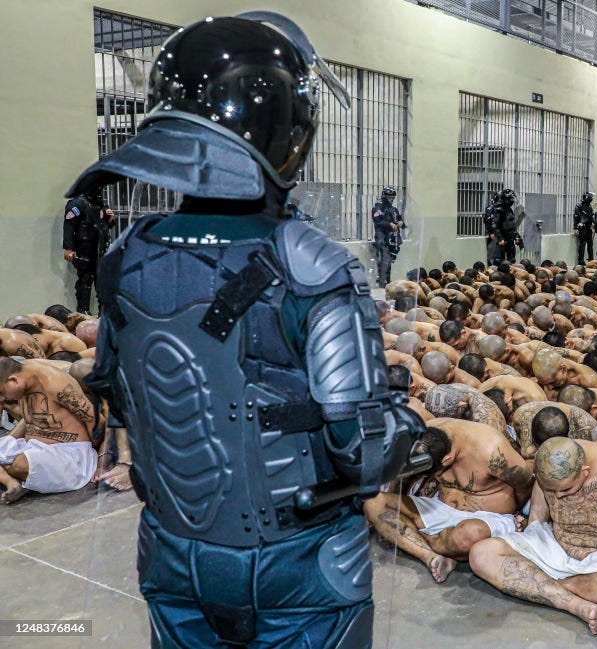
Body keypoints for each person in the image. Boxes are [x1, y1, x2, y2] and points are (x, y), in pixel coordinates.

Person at [68, 13, 424, 648]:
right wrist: (411, 429)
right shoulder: (313, 265)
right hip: (300, 568)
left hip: (172, 554)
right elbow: (364, 452)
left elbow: (120, 398)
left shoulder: (126, 256)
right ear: (289, 131)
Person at [469, 437, 597, 635]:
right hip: (556, 549)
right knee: (482, 554)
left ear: (585, 472)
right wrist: (534, 529)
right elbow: (540, 498)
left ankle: (547, 586)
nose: (558, 496)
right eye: (552, 490)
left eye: (566, 489)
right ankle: (576, 604)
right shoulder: (548, 461)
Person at [363, 420, 532, 583]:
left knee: (466, 537)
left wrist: (522, 515)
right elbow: (403, 472)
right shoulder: (422, 436)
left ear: (447, 459)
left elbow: (525, 483)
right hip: (439, 506)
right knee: (373, 501)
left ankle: (419, 537)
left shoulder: (491, 449)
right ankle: (430, 556)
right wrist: (389, 509)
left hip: (487, 517)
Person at [0, 357, 98, 504]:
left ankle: (19, 476)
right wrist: (6, 442)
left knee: (19, 465)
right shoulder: (24, 375)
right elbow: (29, 419)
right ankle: (12, 483)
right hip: (34, 448)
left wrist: (100, 459)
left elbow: (95, 420)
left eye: (1, 393)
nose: (1, 399)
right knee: (14, 460)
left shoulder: (54, 383)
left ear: (14, 380)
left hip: (69, 452)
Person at [62, 187, 115, 314]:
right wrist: (68, 248)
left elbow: (105, 226)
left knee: (102, 281)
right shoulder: (77, 204)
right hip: (84, 248)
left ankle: (103, 313)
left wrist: (111, 219)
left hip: (100, 248)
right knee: (85, 279)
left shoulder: (101, 204)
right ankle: (83, 311)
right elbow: (69, 226)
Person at [372, 186, 406, 288]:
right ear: (384, 197)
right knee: (384, 258)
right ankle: (382, 280)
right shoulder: (377, 208)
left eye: (392, 197)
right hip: (382, 237)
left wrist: (401, 223)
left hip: (392, 238)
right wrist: (389, 224)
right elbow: (377, 222)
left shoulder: (394, 209)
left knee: (390, 259)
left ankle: (387, 279)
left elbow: (400, 220)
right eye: (389, 197)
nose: (391, 199)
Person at [494, 189, 522, 263]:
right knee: (499, 261)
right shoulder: (499, 210)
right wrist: (500, 238)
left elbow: (511, 225)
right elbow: (495, 226)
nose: (512, 202)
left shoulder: (509, 210)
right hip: (502, 237)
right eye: (510, 199)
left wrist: (516, 236)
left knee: (512, 259)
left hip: (510, 238)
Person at [574, 192, 595, 264]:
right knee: (582, 244)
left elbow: (591, 216)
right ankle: (581, 261)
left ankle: (591, 260)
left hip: (589, 227)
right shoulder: (579, 205)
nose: (591, 199)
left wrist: (594, 223)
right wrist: (576, 228)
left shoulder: (589, 206)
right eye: (590, 197)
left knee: (590, 244)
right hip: (582, 228)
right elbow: (576, 217)